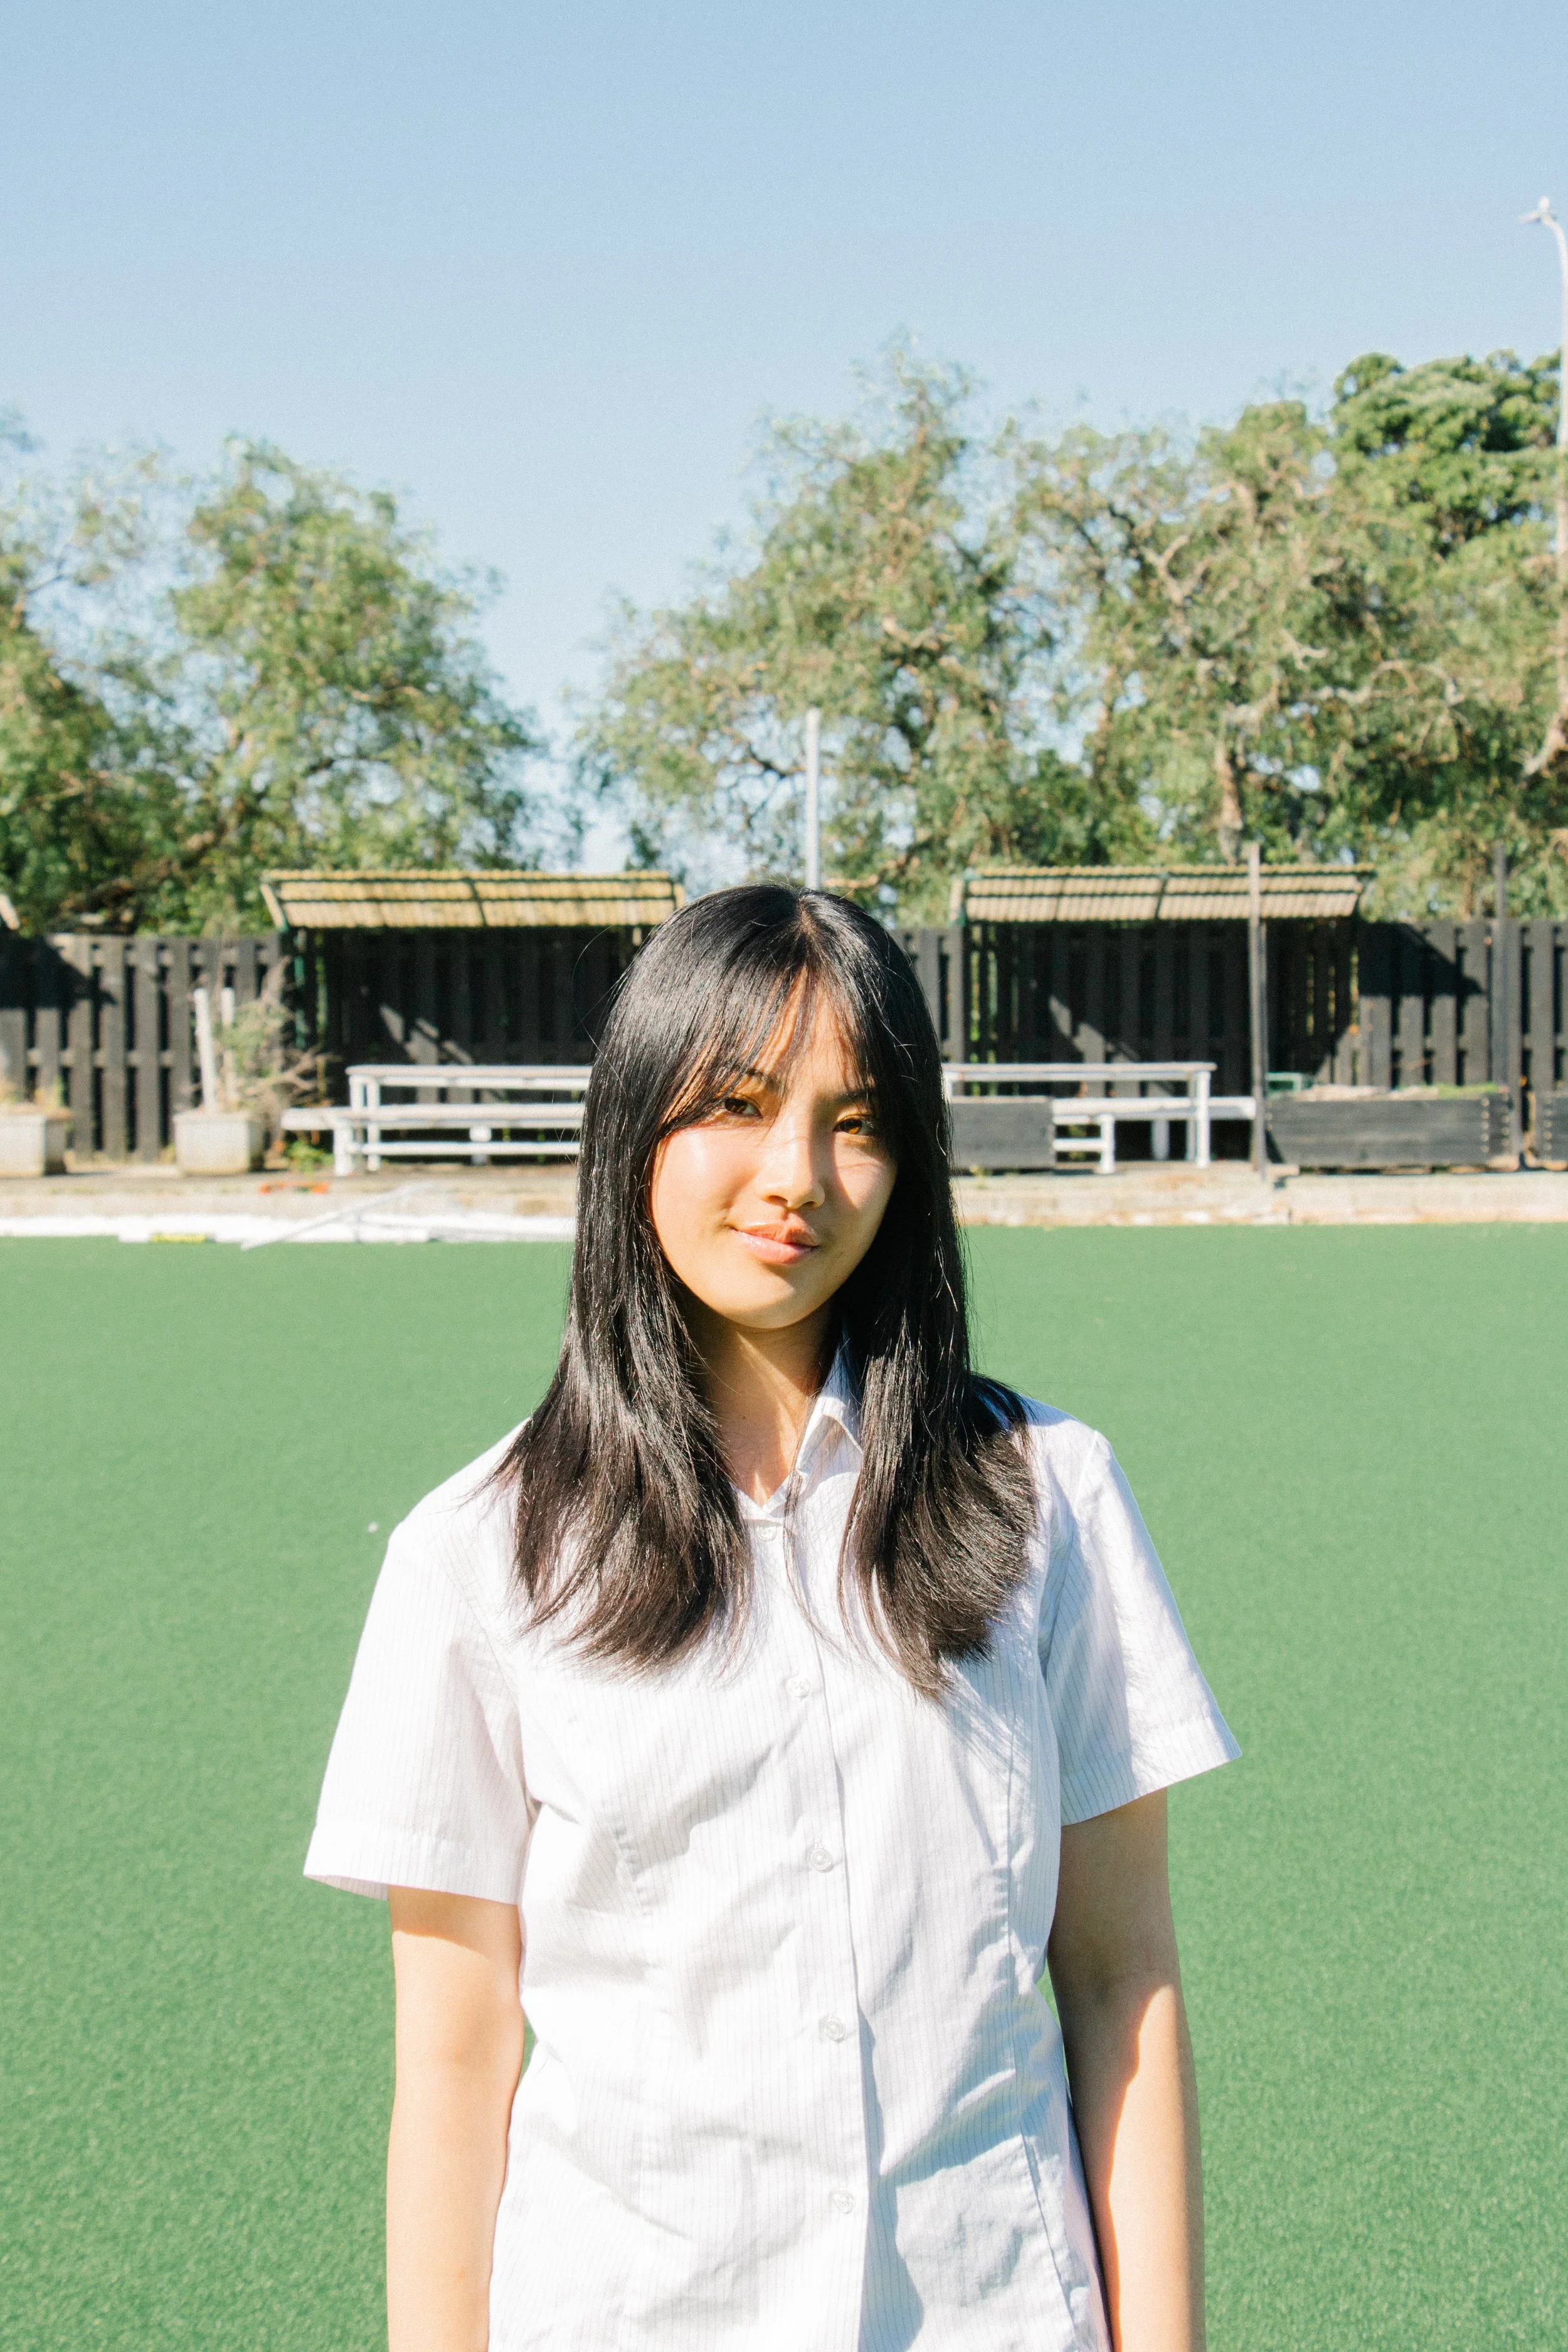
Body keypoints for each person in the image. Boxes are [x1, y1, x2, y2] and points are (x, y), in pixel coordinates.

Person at [305, 886, 1239, 2352]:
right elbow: (454, 2062)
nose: (794, 1173)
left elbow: (1122, 1985)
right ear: (633, 1131)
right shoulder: (475, 1556)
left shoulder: (1050, 1495)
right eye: (735, 1103)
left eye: (855, 1120)